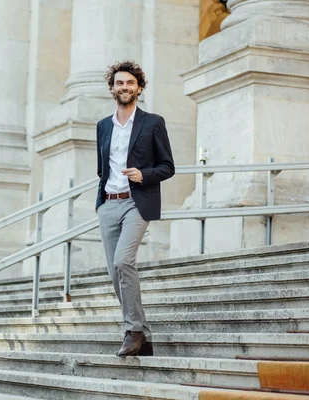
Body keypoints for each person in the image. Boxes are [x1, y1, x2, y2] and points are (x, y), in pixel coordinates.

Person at [95, 61, 175, 357]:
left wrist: (145, 175)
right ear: (112, 88)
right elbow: (102, 168)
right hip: (109, 204)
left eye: (130, 83)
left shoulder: (153, 122)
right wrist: (102, 201)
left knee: (122, 262)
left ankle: (133, 331)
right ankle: (145, 337)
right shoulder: (103, 126)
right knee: (115, 272)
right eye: (119, 83)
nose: (124, 87)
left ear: (139, 88)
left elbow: (168, 166)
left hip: (136, 202)